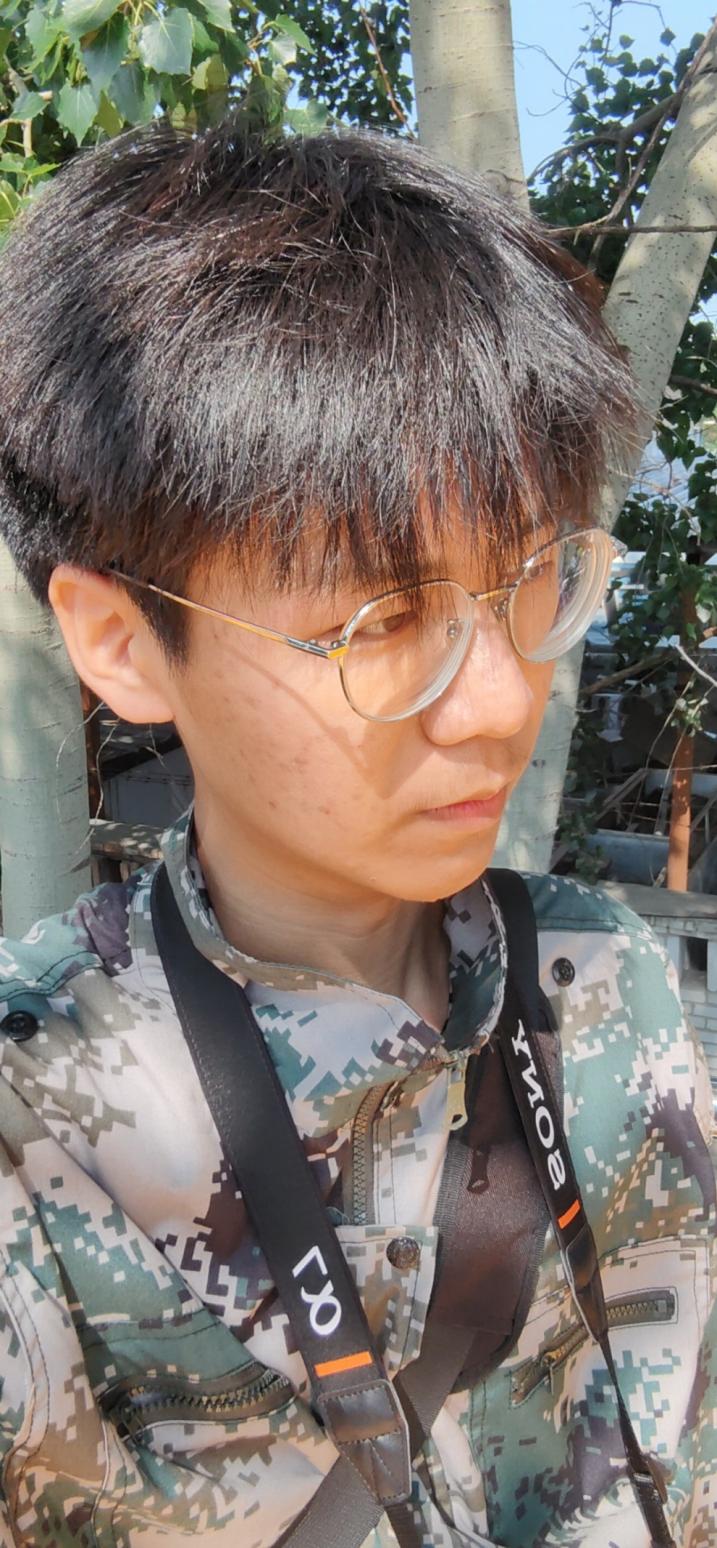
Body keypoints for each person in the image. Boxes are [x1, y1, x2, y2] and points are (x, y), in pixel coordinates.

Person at [0, 115, 714, 1548]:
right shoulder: (38, 1102)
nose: (499, 701)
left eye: (533, 577)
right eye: (381, 621)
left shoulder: (597, 979)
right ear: (122, 642)